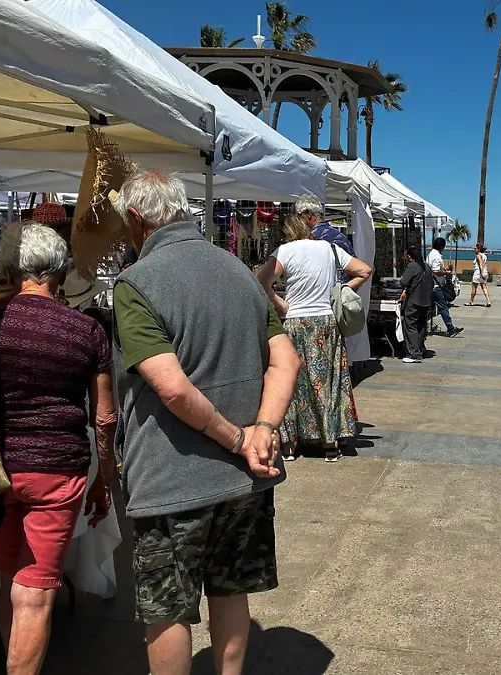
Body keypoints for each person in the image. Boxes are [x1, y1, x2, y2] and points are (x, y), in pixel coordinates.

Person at [113, 170, 301, 675]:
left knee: (167, 607)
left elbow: (171, 387)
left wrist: (240, 437)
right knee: (230, 589)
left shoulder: (136, 283)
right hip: (247, 475)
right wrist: (263, 429)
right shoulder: (240, 271)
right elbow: (287, 360)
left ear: (136, 218)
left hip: (174, 475)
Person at [0, 223, 115, 675]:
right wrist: (104, 479)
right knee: (33, 590)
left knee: (11, 581)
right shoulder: (87, 330)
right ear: (60, 272)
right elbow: (105, 418)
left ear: (14, 269)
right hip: (57, 471)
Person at [258, 204, 371, 462]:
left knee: (291, 382)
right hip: (326, 323)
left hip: (295, 323)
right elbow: (365, 270)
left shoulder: (284, 251)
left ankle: (290, 445)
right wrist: (340, 290)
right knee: (327, 383)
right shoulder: (330, 249)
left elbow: (262, 282)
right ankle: (330, 443)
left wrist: (280, 303)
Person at [399, 247, 433, 363]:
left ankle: (414, 354)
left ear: (409, 256)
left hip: (414, 301)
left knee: (410, 326)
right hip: (426, 301)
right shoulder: (427, 267)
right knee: (421, 326)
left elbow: (403, 282)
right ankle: (420, 349)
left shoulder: (412, 266)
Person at [426, 237, 463, 336]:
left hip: (431, 285)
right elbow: (436, 271)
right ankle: (450, 328)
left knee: (430, 307)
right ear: (442, 246)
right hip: (436, 286)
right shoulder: (437, 256)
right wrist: (447, 272)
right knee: (443, 307)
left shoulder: (430, 255)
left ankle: (424, 327)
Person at [466, 243, 492, 307]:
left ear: (478, 249)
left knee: (474, 288)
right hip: (485, 272)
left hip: (478, 273)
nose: (474, 249)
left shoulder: (478, 255)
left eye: (475, 248)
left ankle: (471, 301)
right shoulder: (484, 256)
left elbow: (480, 264)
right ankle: (488, 301)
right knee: (484, 287)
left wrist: (481, 273)